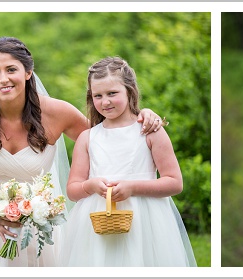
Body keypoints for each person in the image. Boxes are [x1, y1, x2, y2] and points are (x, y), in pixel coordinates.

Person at [0, 37, 166, 267]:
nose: (3, 79)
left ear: (28, 72)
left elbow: (107, 136)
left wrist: (143, 114)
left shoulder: (57, 112)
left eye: (11, 70)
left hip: (36, 223)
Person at [61, 57, 196, 266]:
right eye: (98, 95)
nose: (105, 102)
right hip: (97, 220)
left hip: (145, 220)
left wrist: (132, 187)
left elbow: (174, 182)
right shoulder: (88, 138)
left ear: (129, 91)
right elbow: (73, 189)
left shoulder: (150, 131)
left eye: (112, 93)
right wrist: (90, 185)